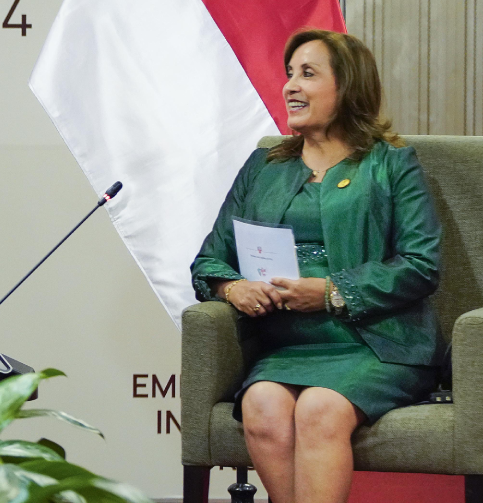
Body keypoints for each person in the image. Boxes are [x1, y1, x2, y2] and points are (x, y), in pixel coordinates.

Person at [189, 29, 443, 503]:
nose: (290, 85)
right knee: (262, 406)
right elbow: (210, 259)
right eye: (289, 74)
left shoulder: (390, 164)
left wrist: (330, 291)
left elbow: (421, 264)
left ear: (346, 88)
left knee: (319, 411)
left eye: (308, 74)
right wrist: (232, 289)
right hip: (289, 344)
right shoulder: (264, 166)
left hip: (376, 342)